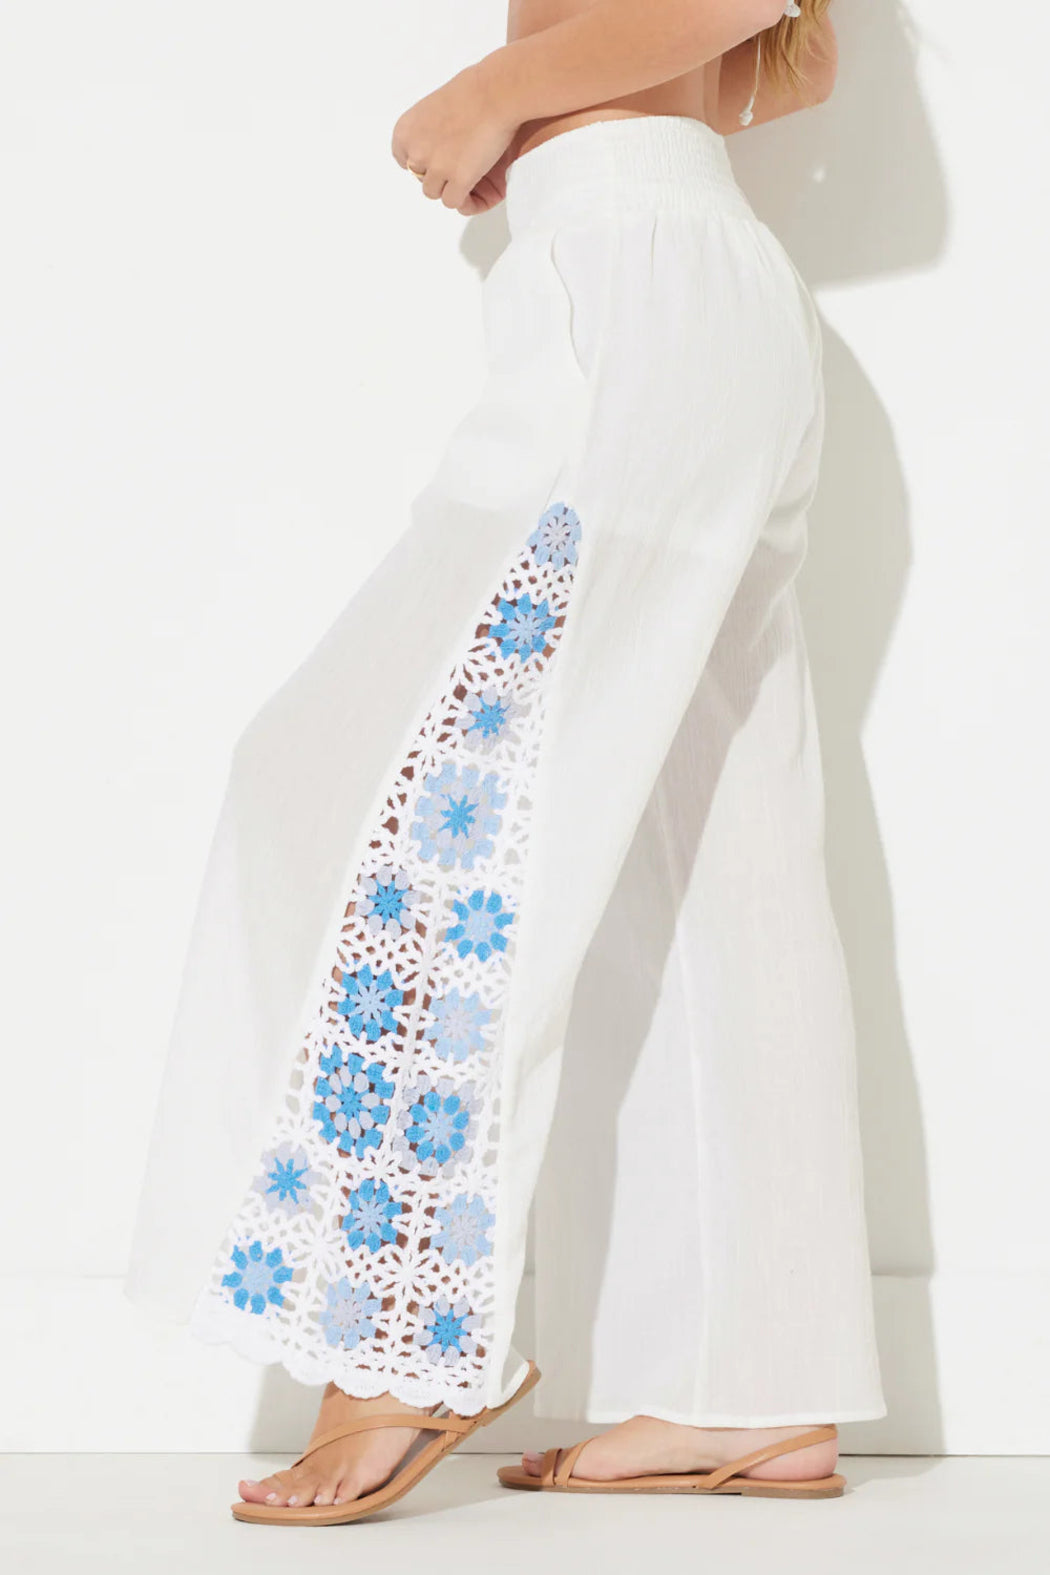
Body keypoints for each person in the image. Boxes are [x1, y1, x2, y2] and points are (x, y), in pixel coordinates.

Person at [125, 0, 886, 1524]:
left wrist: (509, 87)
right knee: (707, 844)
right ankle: (746, 1375)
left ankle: (396, 1339)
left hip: (634, 289)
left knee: (406, 798)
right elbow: (780, 60)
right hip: (679, 278)